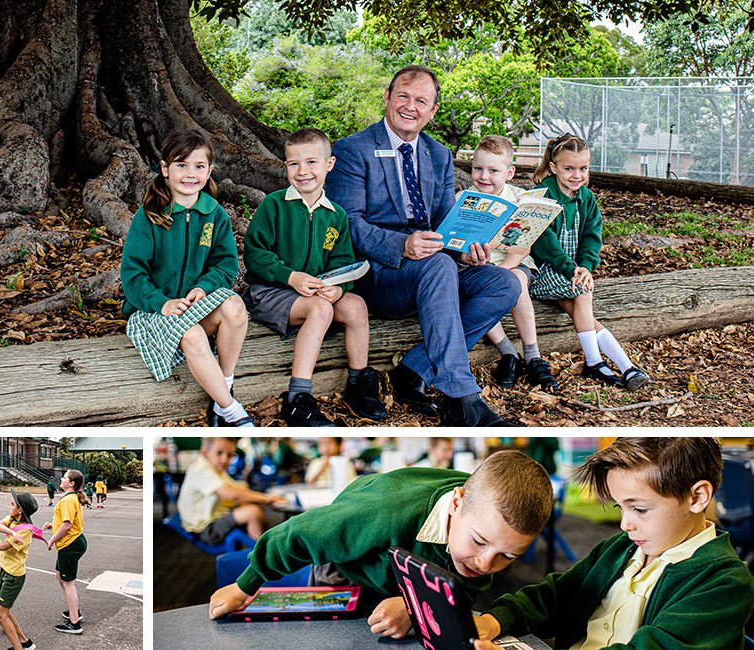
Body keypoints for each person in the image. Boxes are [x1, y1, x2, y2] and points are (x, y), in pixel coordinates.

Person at [331, 65, 519, 426]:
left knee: (504, 283)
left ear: (432, 112)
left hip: (434, 266)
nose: (410, 106)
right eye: (403, 96)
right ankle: (460, 396)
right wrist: (402, 245)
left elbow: (447, 224)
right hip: (377, 274)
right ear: (387, 98)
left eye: (421, 101)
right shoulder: (353, 150)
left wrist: (465, 249)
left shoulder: (439, 154)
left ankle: (414, 368)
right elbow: (347, 225)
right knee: (439, 265)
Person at [208, 451, 553, 641]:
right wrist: (244, 586)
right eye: (478, 542)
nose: (485, 564)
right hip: (349, 564)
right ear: (456, 503)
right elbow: (298, 533)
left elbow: (465, 586)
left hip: (406, 572)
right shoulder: (383, 513)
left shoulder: (486, 523)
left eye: (508, 556)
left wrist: (412, 606)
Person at [474, 438, 754, 650]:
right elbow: (558, 595)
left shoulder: (725, 583)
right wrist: (495, 620)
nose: (625, 525)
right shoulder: (622, 547)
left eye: (640, 509)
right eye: (621, 508)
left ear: (697, 498)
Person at [243, 127, 386, 426]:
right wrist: (290, 276)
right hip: (270, 292)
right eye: (294, 163)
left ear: (329, 165)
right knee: (321, 309)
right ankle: (298, 398)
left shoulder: (336, 215)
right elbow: (255, 255)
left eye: (312, 162)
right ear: (285, 166)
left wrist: (339, 287)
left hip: (314, 291)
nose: (303, 171)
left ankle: (358, 382)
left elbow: (343, 261)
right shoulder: (274, 205)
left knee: (356, 306)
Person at [119, 129, 253, 427]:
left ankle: (224, 383)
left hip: (194, 304)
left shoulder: (214, 214)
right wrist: (162, 303)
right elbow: (132, 273)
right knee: (192, 335)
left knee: (235, 307)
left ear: (210, 171)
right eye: (181, 165)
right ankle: (231, 411)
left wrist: (204, 289)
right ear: (165, 169)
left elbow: (225, 264)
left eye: (198, 166)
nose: (190, 174)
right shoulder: (151, 214)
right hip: (155, 309)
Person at [528, 135, 649, 391]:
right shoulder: (543, 195)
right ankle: (599, 362)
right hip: (547, 269)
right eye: (569, 168)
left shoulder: (587, 198)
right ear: (553, 167)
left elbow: (592, 238)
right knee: (583, 292)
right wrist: (573, 270)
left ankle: (624, 368)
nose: (577, 175)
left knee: (580, 308)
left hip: (574, 270)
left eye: (583, 168)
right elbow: (544, 242)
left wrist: (585, 267)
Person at [470, 135, 558, 392]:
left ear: (509, 173)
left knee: (515, 282)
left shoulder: (519, 197)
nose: (484, 176)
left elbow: (524, 244)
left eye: (493, 170)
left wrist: (504, 269)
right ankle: (508, 353)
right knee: (472, 291)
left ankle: (532, 355)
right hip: (478, 265)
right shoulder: (463, 197)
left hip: (515, 262)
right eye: (478, 169)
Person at [178, 437, 285, 542]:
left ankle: (267, 542)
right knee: (252, 512)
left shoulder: (216, 469)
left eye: (230, 455)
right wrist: (265, 498)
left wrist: (259, 499)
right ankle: (260, 553)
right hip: (204, 529)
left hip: (216, 517)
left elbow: (238, 488)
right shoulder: (201, 469)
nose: (225, 459)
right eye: (219, 453)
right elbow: (232, 494)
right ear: (205, 453)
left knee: (254, 506)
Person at [0, 489, 41, 650]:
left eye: (12, 504)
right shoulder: (13, 521)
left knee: (1, 615)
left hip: (14, 576)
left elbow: (4, 546)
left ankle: (18, 648)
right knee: (4, 612)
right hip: (6, 572)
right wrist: (10, 532)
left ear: (20, 510)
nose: (9, 507)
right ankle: (25, 642)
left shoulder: (25, 530)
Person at [45, 469, 89, 634]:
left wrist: (52, 539)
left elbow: (67, 525)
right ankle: (74, 611)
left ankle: (74, 623)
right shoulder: (68, 498)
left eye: (64, 477)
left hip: (70, 544)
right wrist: (52, 525)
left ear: (71, 483)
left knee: (69, 583)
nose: (61, 479)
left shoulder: (69, 500)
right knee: (60, 576)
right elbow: (64, 521)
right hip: (69, 543)